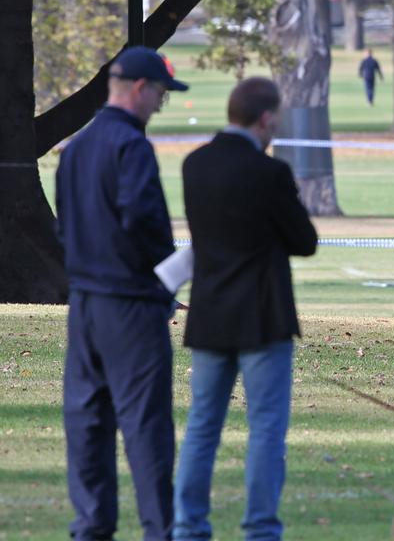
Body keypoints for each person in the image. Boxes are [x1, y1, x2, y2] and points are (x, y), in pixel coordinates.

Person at [173, 78, 318, 540]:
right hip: (263, 314)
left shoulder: (194, 165)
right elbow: (304, 241)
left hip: (211, 311)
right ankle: (259, 528)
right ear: (266, 118)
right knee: (265, 430)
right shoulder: (269, 173)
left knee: (202, 428)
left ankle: (188, 525)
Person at [56, 46, 188, 541]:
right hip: (130, 305)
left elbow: (64, 229)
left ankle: (91, 526)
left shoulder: (76, 148)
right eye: (160, 95)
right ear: (139, 89)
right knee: (145, 425)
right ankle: (159, 529)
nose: (159, 105)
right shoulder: (131, 147)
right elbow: (145, 222)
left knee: (87, 422)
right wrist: (168, 277)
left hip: (84, 303)